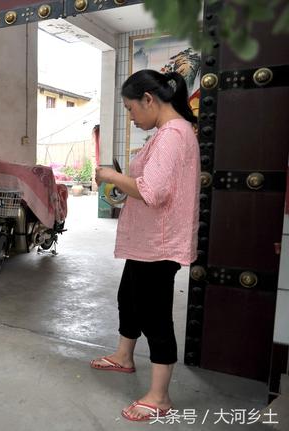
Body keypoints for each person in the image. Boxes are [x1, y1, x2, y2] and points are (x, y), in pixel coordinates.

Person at [92, 70, 200, 421]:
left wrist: (111, 176)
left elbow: (153, 192)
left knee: (154, 314)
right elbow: (148, 185)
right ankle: (124, 357)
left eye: (130, 108)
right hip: (147, 240)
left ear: (149, 100)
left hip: (160, 242)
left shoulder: (173, 135)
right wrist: (124, 186)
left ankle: (160, 397)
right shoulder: (166, 133)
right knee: (130, 299)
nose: (131, 116)